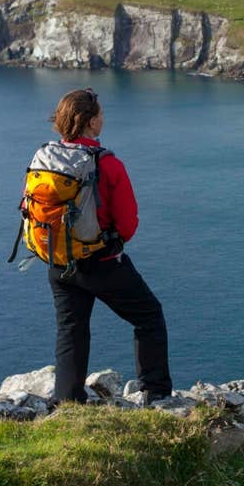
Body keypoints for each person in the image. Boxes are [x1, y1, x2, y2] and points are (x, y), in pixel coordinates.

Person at [45, 87, 172, 405]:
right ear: (90, 122)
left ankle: (68, 403)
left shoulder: (47, 159)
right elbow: (128, 223)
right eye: (100, 114)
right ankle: (155, 393)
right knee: (149, 316)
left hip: (58, 261)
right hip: (100, 262)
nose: (104, 118)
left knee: (71, 330)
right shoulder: (107, 164)